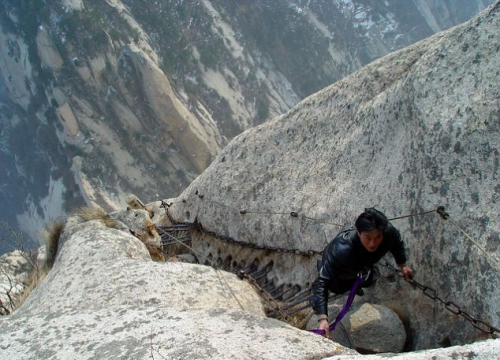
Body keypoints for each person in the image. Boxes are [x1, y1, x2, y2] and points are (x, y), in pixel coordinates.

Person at [312, 208, 414, 337]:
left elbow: (396, 243)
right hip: (340, 269)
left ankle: (359, 279)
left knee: (368, 280)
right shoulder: (341, 250)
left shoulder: (388, 232)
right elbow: (321, 282)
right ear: (359, 233)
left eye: (378, 237)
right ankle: (346, 281)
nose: (373, 244)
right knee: (337, 288)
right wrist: (323, 319)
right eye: (368, 237)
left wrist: (402, 265)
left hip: (362, 265)